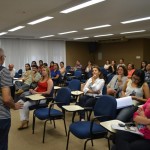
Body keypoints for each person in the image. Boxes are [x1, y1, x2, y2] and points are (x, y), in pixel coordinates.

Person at [0, 48, 23, 150]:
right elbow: (6, 99)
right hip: (1, 116)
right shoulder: (3, 71)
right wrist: (14, 106)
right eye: (4, 57)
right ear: (1, 58)